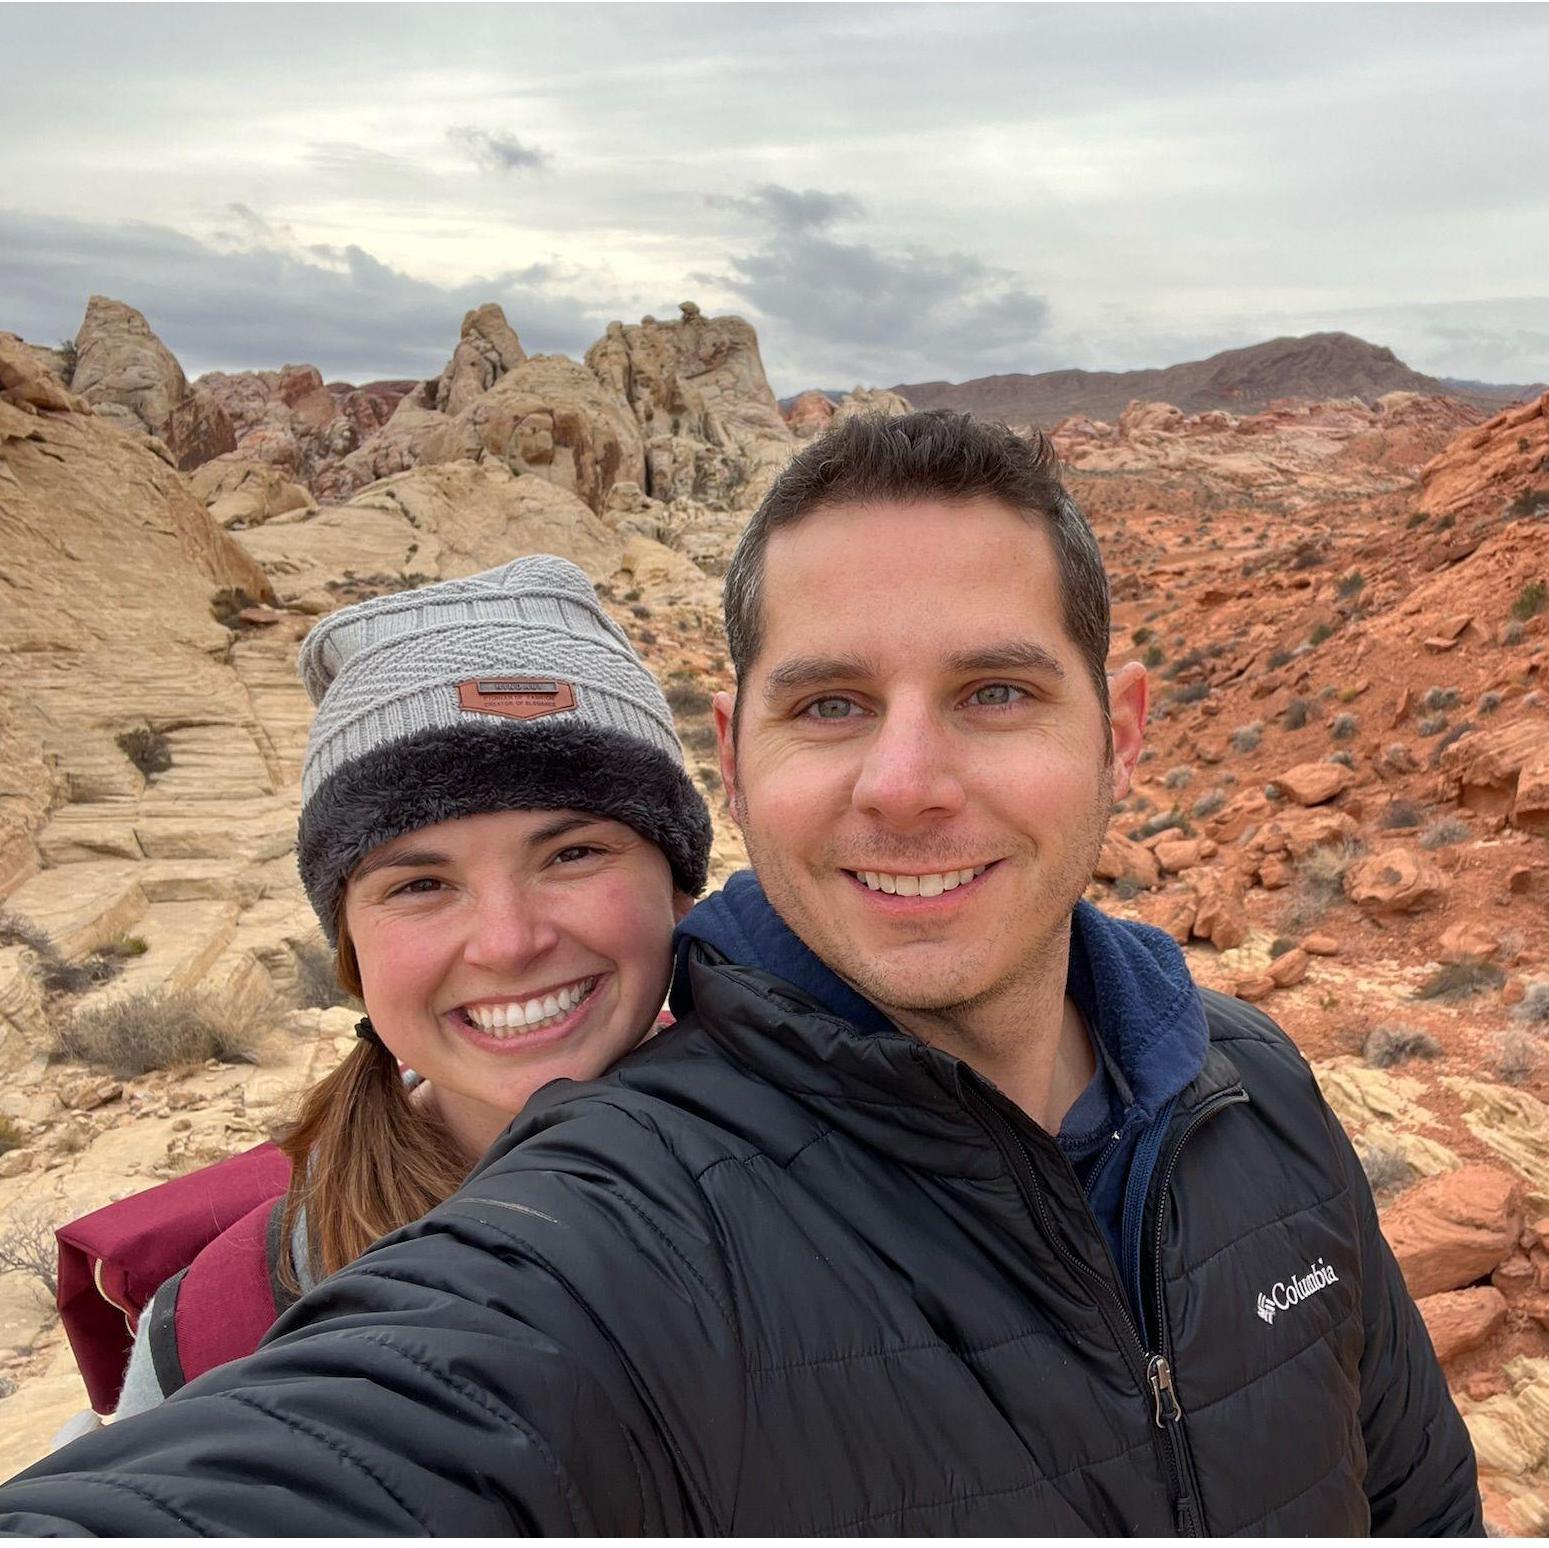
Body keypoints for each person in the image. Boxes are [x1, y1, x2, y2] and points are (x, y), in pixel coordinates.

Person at [0, 413, 1481, 1535]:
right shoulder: (626, 1213)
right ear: (739, 755)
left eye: (995, 692)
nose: (905, 786)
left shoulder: (1256, 1095)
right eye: (831, 704)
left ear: (1124, 729)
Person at [53, 552, 712, 1424]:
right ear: (353, 950)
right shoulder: (237, 1325)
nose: (509, 944)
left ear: (678, 884)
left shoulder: (860, 1164)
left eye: (573, 854)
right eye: (419, 884)